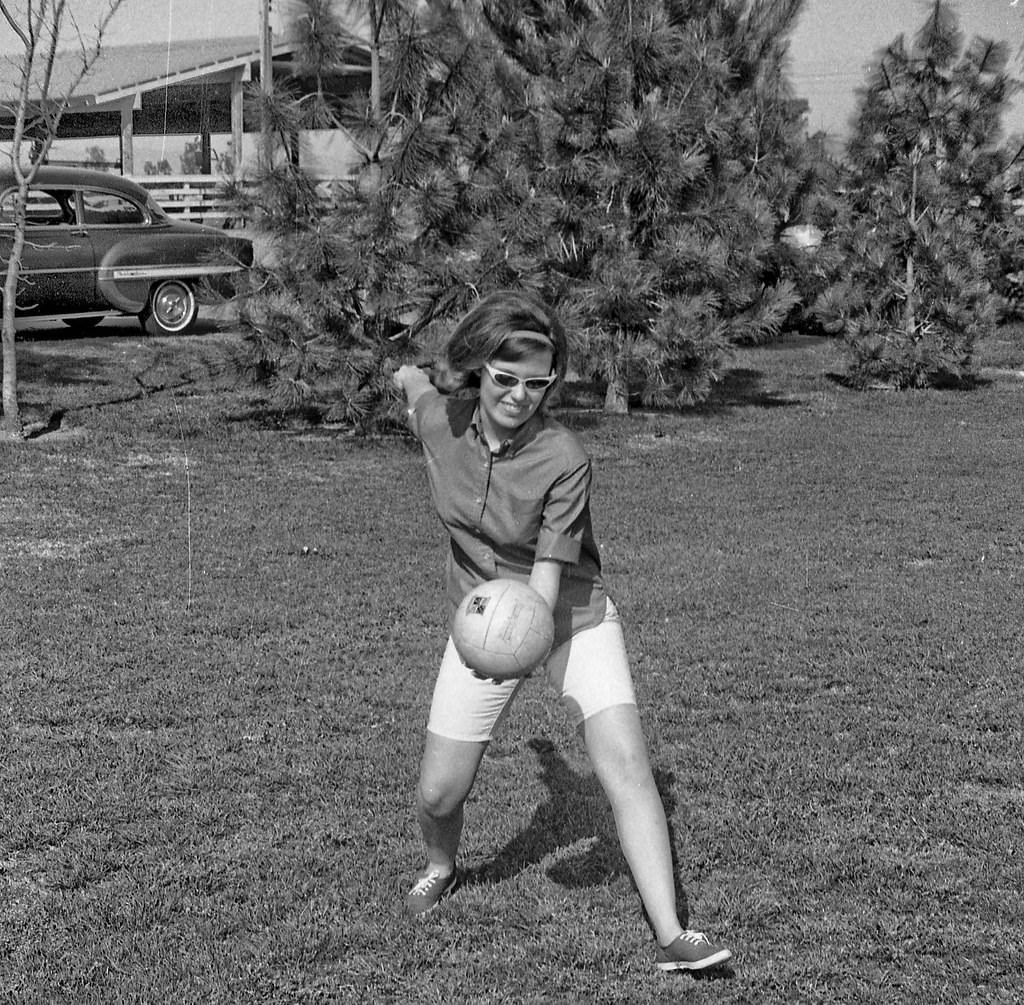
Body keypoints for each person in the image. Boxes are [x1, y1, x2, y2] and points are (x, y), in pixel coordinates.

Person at [391, 290, 732, 973]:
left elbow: (543, 588)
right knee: (437, 793)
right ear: (478, 370)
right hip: (479, 620)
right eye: (505, 377)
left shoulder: (564, 456)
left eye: (538, 383)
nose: (520, 395)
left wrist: (511, 652)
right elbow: (413, 381)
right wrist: (404, 373)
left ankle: (671, 931)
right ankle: (441, 863)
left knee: (628, 764)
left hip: (566, 613)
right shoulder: (439, 419)